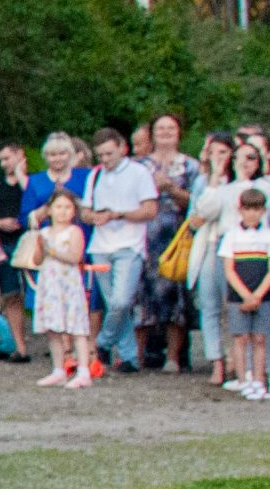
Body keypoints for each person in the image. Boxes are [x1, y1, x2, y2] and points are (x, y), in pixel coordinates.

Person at [78, 129, 155, 374]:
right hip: (101, 245)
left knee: (121, 301)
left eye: (110, 154)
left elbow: (150, 210)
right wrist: (96, 217)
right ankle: (129, 356)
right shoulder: (95, 175)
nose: (105, 159)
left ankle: (101, 343)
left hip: (129, 244)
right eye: (101, 155)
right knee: (114, 304)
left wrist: (120, 214)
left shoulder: (139, 173)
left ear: (122, 148)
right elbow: (85, 211)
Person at [184, 132, 239, 387]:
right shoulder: (203, 182)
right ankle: (216, 361)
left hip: (232, 246)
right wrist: (214, 180)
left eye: (223, 153)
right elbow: (197, 216)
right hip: (208, 245)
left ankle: (235, 359)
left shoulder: (242, 182)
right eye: (213, 153)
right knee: (210, 306)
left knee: (233, 306)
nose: (218, 158)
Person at [136, 139, 196, 373]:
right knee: (141, 298)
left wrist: (170, 188)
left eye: (170, 128)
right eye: (160, 128)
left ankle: (173, 357)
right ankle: (137, 356)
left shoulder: (189, 165)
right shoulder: (140, 166)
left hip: (175, 235)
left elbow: (196, 202)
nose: (165, 133)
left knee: (174, 295)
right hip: (144, 235)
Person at [220, 189, 270, 401]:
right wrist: (246, 295)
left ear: (263, 211)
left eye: (256, 209)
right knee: (240, 338)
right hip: (238, 297)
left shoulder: (269, 237)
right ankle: (243, 379)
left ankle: (258, 380)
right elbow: (229, 269)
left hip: (262, 296)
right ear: (240, 210)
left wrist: (257, 295)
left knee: (259, 339)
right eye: (247, 209)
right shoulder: (232, 236)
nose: (252, 214)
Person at [32, 191, 95, 389]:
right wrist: (41, 248)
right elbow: (36, 260)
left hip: (68, 284)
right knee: (53, 328)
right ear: (50, 210)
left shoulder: (74, 232)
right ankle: (58, 369)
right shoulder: (44, 233)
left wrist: (52, 250)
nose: (62, 212)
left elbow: (75, 256)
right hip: (50, 285)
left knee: (76, 327)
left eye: (67, 207)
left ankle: (84, 370)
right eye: (58, 207)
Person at [0, 143, 31, 354]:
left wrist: (21, 176)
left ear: (20, 155)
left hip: (31, 242)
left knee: (37, 293)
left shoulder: (33, 182)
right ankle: (20, 347)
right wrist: (0, 223)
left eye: (7, 158)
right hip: (5, 243)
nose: (3, 164)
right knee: (11, 294)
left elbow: (35, 199)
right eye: (1, 160)